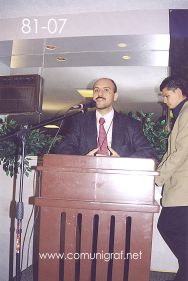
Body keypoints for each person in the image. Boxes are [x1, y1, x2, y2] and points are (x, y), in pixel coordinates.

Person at [55, 77, 156, 158]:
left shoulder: (131, 124)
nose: (100, 94)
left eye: (106, 90)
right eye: (96, 90)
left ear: (115, 96)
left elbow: (147, 152)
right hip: (85, 179)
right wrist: (83, 160)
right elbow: (64, 148)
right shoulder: (79, 122)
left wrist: (121, 162)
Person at [155, 75, 188, 281]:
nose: (165, 101)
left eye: (167, 95)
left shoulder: (186, 113)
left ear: (178, 92)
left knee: (166, 225)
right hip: (181, 187)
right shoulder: (182, 113)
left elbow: (182, 150)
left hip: (184, 188)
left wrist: (159, 177)